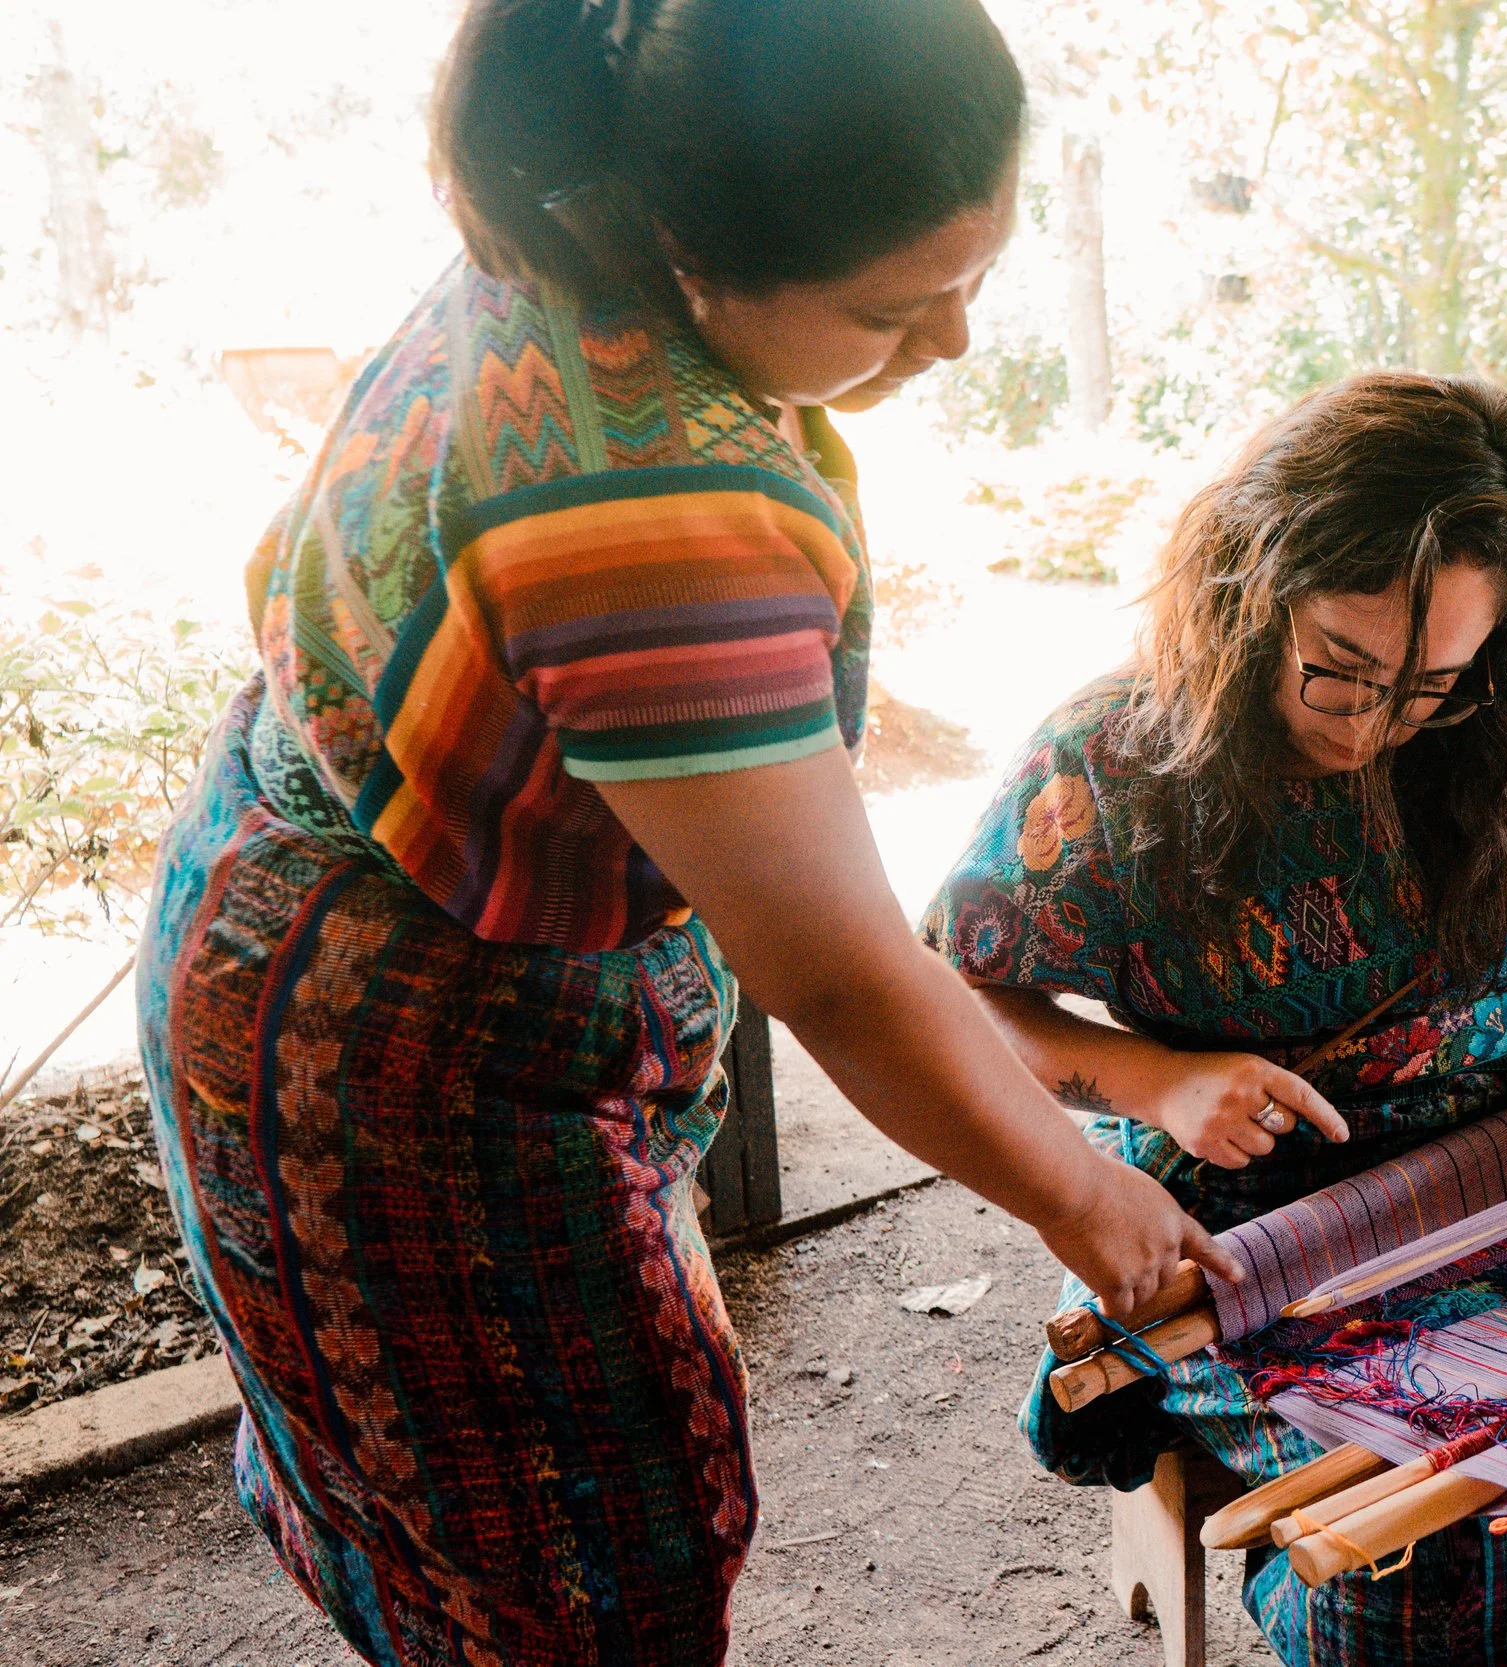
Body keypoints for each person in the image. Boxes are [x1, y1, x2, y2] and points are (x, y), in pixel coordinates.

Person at [135, 3, 1231, 1663]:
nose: (948, 339)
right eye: (891, 305)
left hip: (298, 919)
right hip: (412, 1071)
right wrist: (1087, 1196)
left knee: (485, 1501)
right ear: (686, 243)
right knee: (587, 1563)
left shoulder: (564, 234)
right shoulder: (651, 509)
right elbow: (849, 973)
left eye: (977, 273)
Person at [923, 371, 1507, 1664]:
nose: (1377, 719)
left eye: (1430, 681)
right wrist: (1156, 1082)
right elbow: (962, 994)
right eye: (1342, 666)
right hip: (1273, 1232)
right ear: (1257, 582)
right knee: (1443, 1542)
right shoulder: (1111, 761)